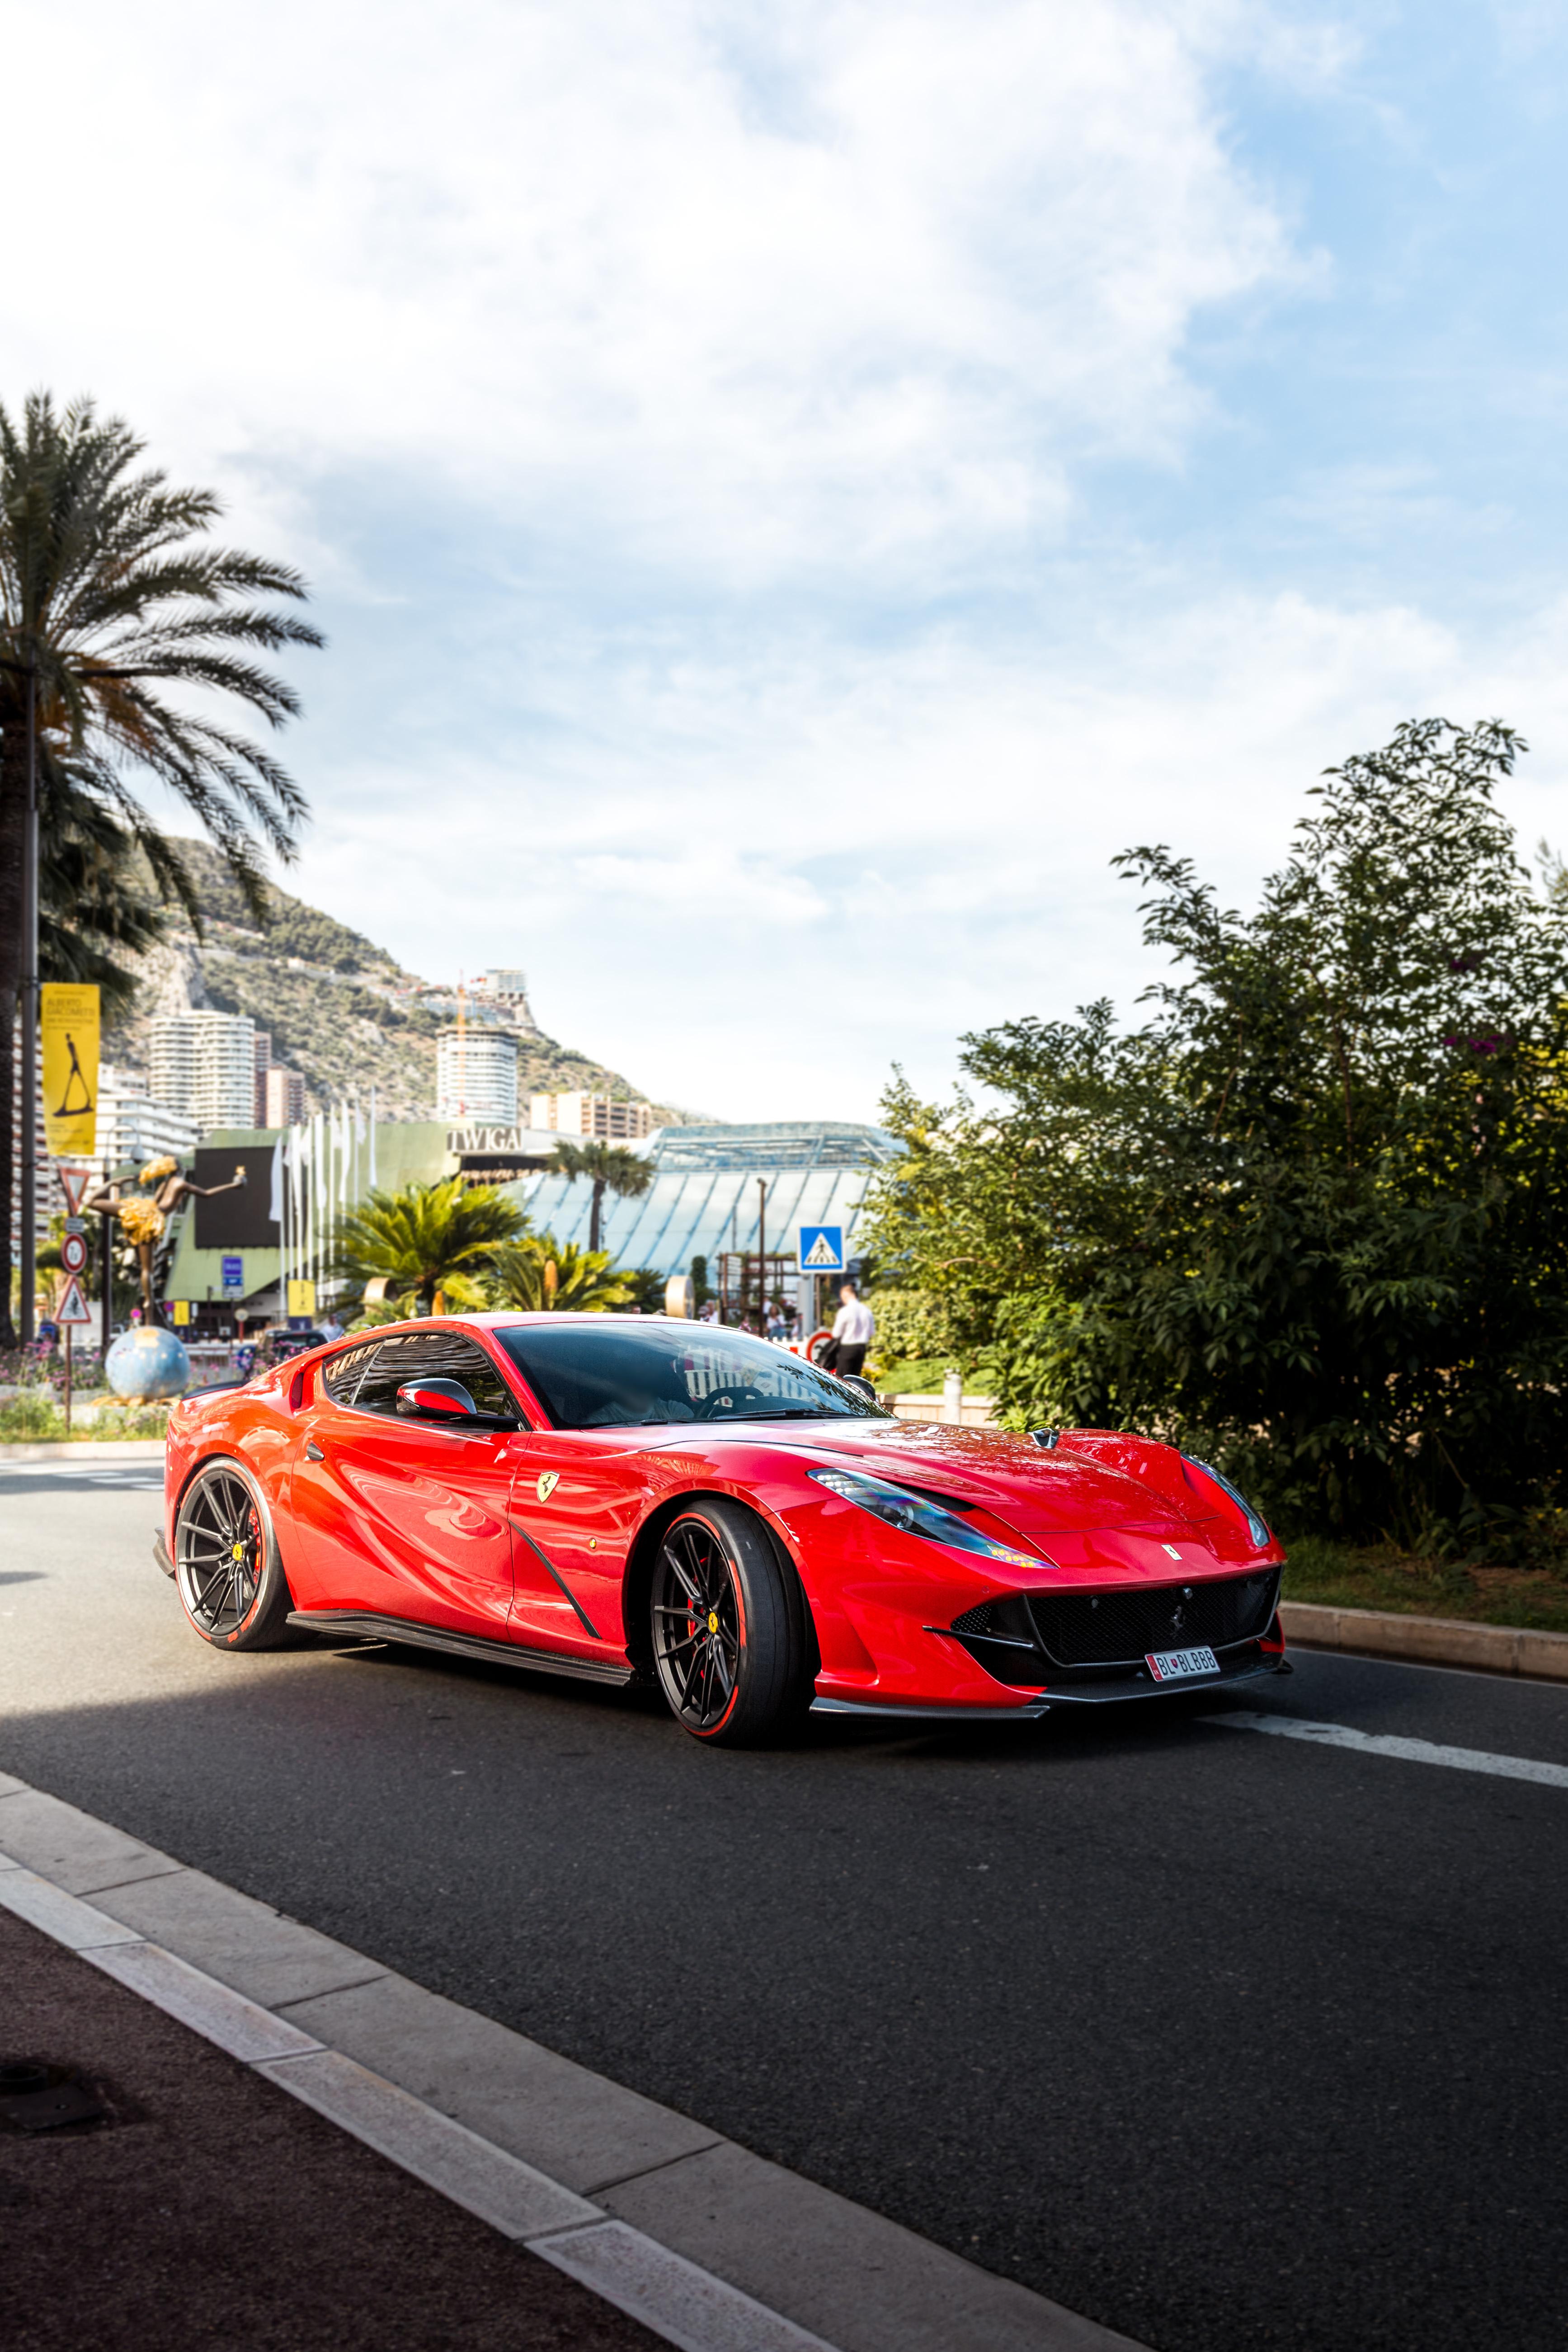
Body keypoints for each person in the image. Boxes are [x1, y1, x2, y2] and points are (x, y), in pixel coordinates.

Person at [825, 1281, 874, 1380]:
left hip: (848, 1348)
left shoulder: (845, 1311)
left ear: (846, 1295)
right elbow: (871, 1332)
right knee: (855, 1380)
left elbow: (836, 1334)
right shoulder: (866, 1310)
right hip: (861, 1348)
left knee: (842, 1379)